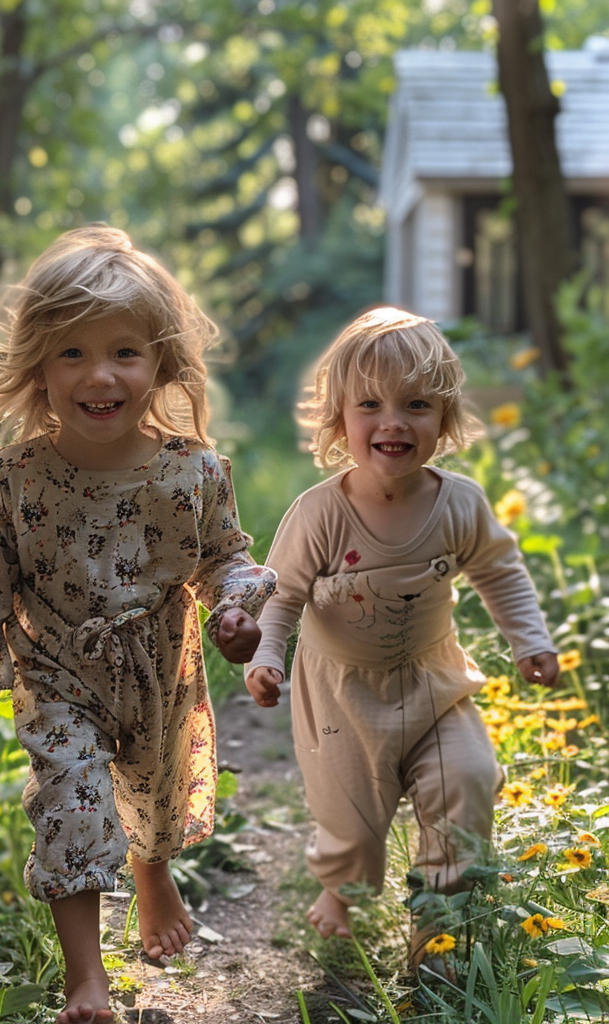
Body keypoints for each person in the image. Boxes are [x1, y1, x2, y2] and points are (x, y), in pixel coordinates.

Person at [0, 225, 277, 1023]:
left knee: (152, 796)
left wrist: (237, 611)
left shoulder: (193, 470)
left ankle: (153, 870)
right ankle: (85, 980)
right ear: (38, 368)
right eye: (72, 354)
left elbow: (225, 556)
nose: (100, 374)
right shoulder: (13, 474)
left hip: (159, 662)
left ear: (160, 362)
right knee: (71, 801)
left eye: (124, 352)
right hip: (54, 663)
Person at [244, 306, 559, 960]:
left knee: (467, 778)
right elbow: (281, 597)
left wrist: (530, 639)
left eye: (416, 404)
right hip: (340, 694)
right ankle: (342, 888)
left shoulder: (460, 503)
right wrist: (267, 654)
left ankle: (441, 936)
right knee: (353, 825)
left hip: (432, 680)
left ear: (444, 419)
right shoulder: (320, 513)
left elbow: (501, 571)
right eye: (370, 404)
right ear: (339, 421)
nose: (393, 421)